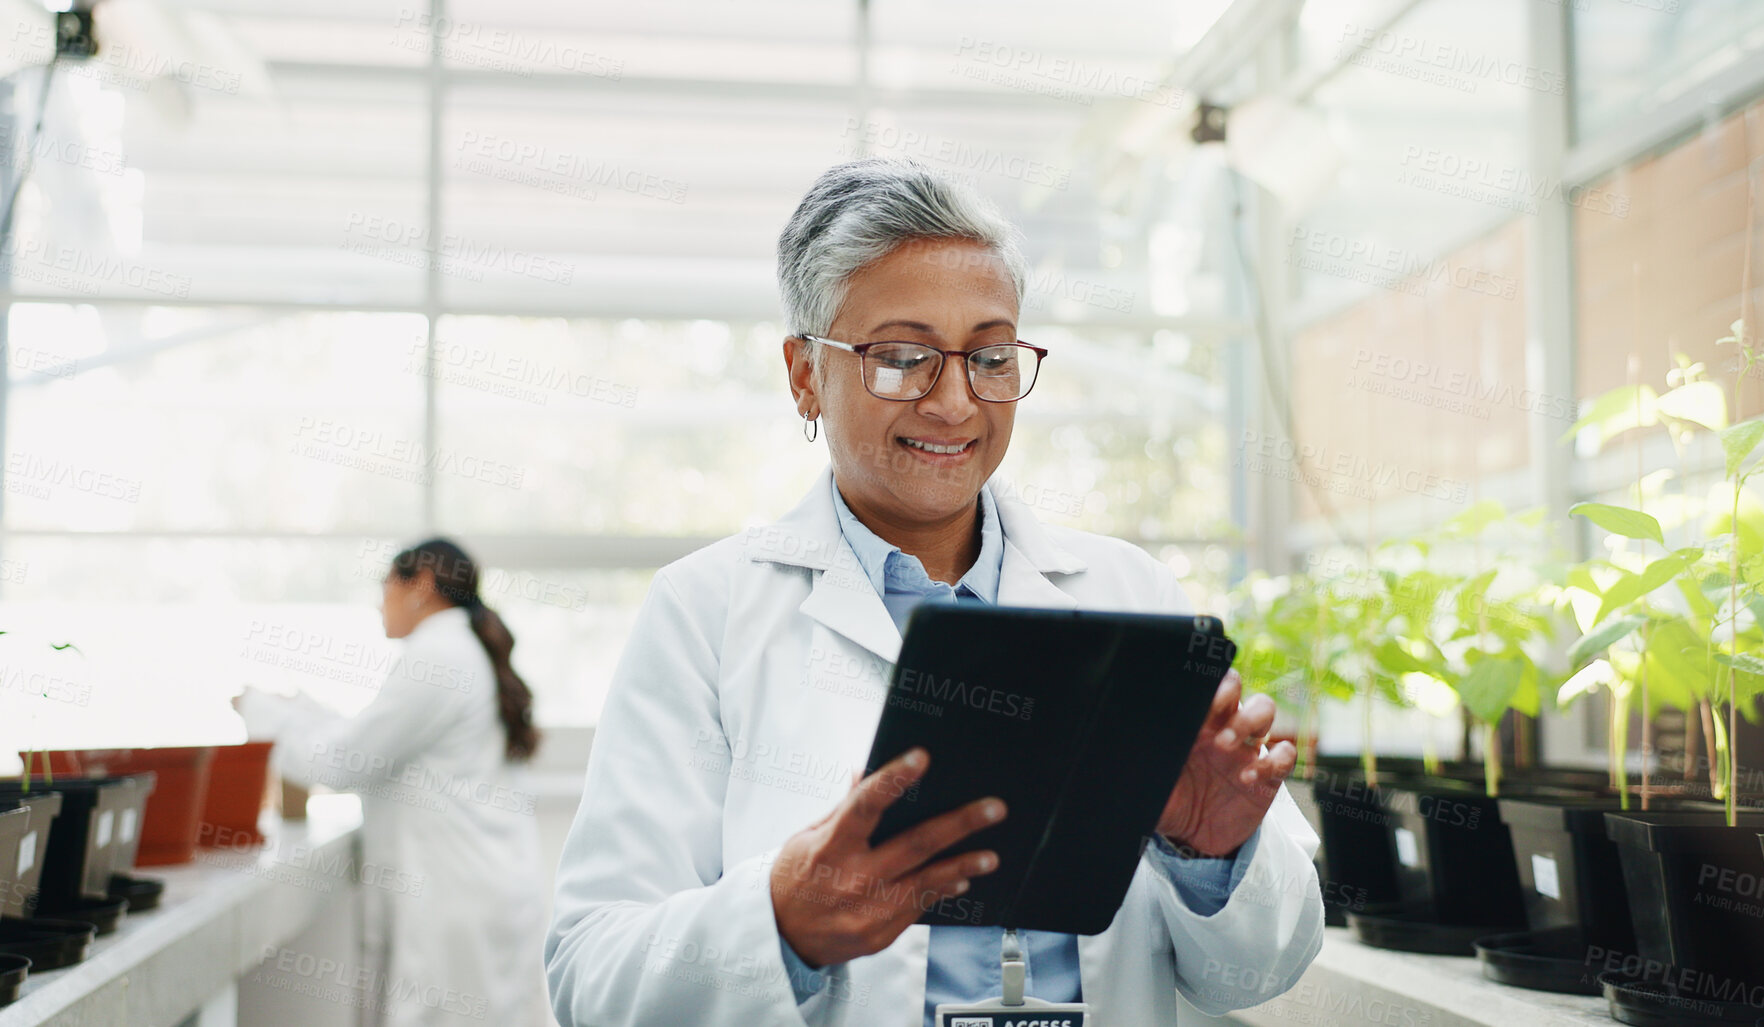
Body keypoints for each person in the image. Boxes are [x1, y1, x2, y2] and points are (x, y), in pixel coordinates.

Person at [546, 158, 1323, 1027]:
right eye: (902, 357)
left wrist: (1213, 854)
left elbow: (1256, 975)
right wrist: (778, 921)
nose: (954, 401)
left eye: (989, 355)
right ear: (805, 372)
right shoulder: (706, 612)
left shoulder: (1130, 591)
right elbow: (590, 978)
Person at [242, 538, 550, 1027]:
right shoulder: (457, 648)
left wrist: (267, 717)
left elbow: (346, 761)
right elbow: (382, 744)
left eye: (385, 586)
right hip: (481, 888)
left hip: (460, 898)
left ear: (421, 585)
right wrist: (301, 713)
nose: (378, 602)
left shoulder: (440, 656)